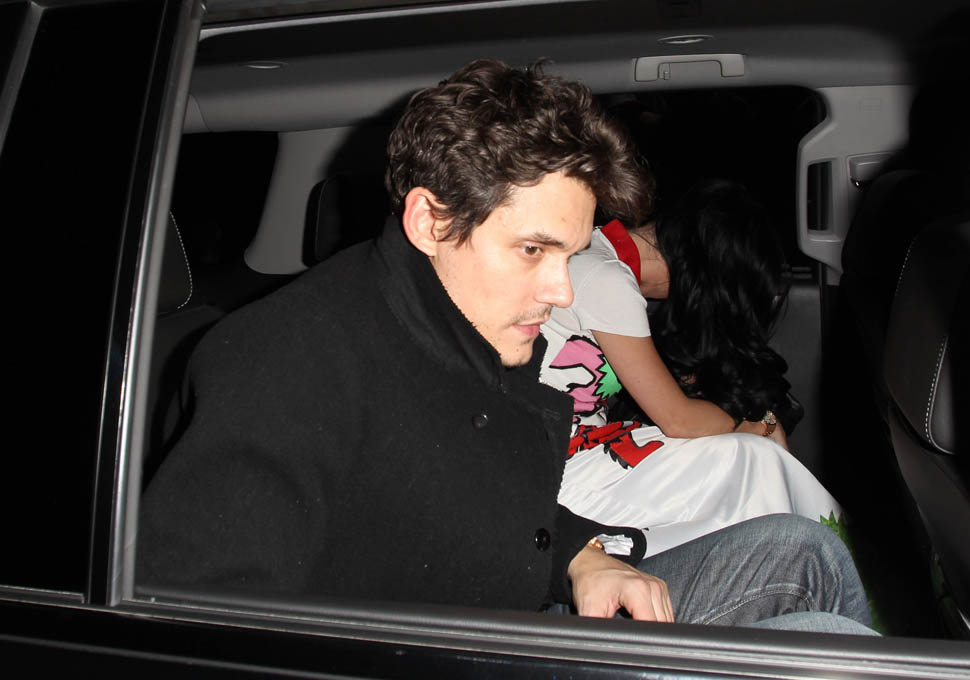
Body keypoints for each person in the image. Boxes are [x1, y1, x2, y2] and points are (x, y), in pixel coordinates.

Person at [138, 59, 871, 632]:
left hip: (533, 601)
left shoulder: (481, 323)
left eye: (570, 253)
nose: (561, 290)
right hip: (470, 652)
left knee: (805, 550)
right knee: (822, 637)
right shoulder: (283, 363)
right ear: (431, 222)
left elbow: (507, 493)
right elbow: (198, 627)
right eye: (532, 250)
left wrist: (582, 558)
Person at [541, 179, 843, 556]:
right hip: (554, 470)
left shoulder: (597, 255)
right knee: (755, 461)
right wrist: (759, 424)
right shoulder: (606, 278)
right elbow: (678, 419)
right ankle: (822, 569)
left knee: (748, 465)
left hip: (578, 450)